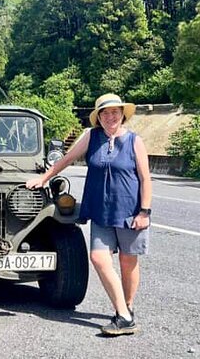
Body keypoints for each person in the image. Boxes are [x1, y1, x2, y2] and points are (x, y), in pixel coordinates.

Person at [26, 93, 152, 336]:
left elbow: (146, 178)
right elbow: (68, 159)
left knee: (128, 262)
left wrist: (145, 211)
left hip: (130, 211)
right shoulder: (91, 137)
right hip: (100, 210)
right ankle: (124, 317)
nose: (110, 116)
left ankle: (127, 308)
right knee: (98, 258)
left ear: (122, 114)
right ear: (99, 117)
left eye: (115, 112)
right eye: (105, 113)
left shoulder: (134, 141)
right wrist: (43, 178)